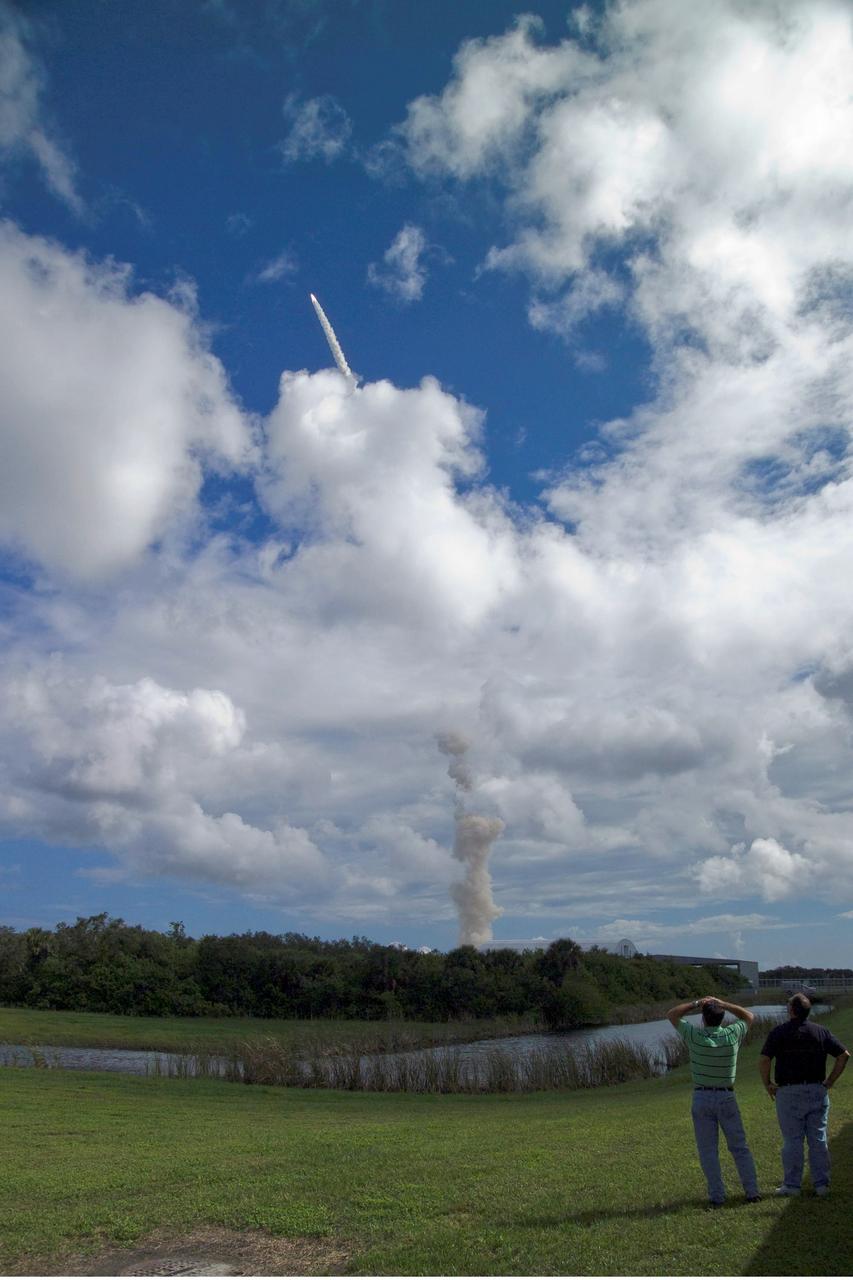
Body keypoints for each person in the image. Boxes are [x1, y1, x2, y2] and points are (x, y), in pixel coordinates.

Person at [666, 994, 760, 1207]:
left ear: (703, 1019)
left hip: (702, 1097)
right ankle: (752, 1192)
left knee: (708, 1150)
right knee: (739, 1147)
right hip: (727, 1096)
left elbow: (672, 1015)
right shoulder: (731, 1035)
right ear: (722, 1018)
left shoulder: (695, 1036)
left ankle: (717, 1196)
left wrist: (697, 1003)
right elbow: (749, 1016)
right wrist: (723, 1003)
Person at [758, 992, 849, 1197]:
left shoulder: (779, 1032)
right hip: (817, 1089)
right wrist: (830, 1082)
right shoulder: (821, 1031)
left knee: (792, 1140)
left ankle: (792, 1185)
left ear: (790, 1011)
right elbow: (843, 1056)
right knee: (818, 1138)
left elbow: (764, 1060)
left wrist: (768, 1084)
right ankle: (822, 1184)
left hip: (788, 1092)